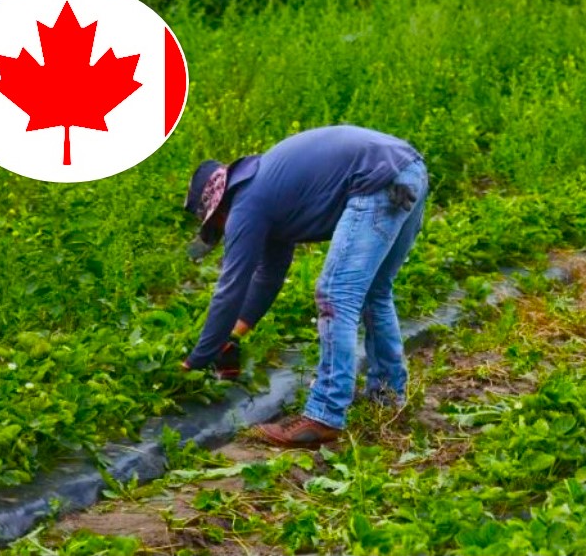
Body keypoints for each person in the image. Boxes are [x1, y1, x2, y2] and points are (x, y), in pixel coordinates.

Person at [181, 125, 429, 447]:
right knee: (374, 292)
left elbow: (231, 287)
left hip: (378, 181)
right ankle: (387, 397)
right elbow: (267, 278)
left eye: (217, 227)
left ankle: (324, 416)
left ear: (219, 207)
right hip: (408, 171)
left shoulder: (247, 204)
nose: (225, 232)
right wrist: (231, 337)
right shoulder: (269, 193)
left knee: (336, 294)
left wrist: (195, 360)